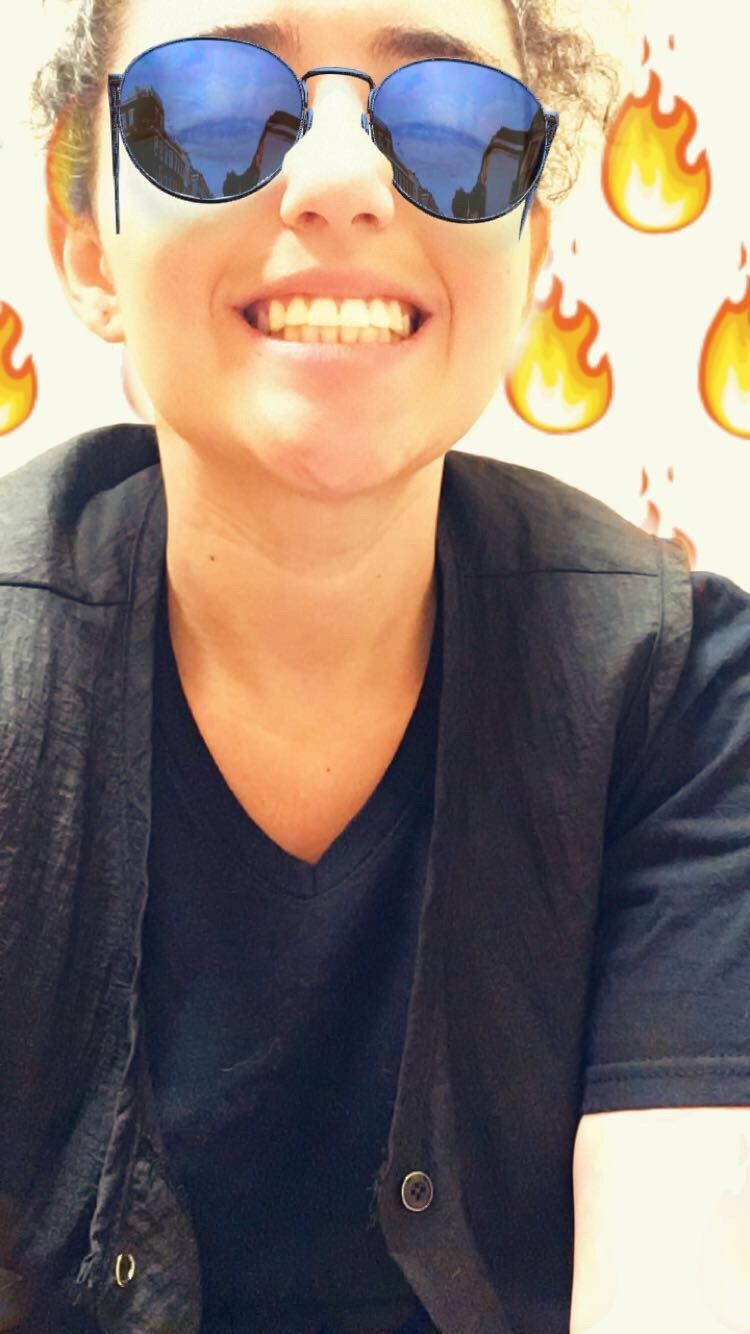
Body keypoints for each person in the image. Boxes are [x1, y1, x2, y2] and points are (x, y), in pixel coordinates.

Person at [2, 0, 749, 1331]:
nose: (344, 177)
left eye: (453, 124)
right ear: (87, 247)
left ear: (529, 248)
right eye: (216, 107)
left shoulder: (681, 699)